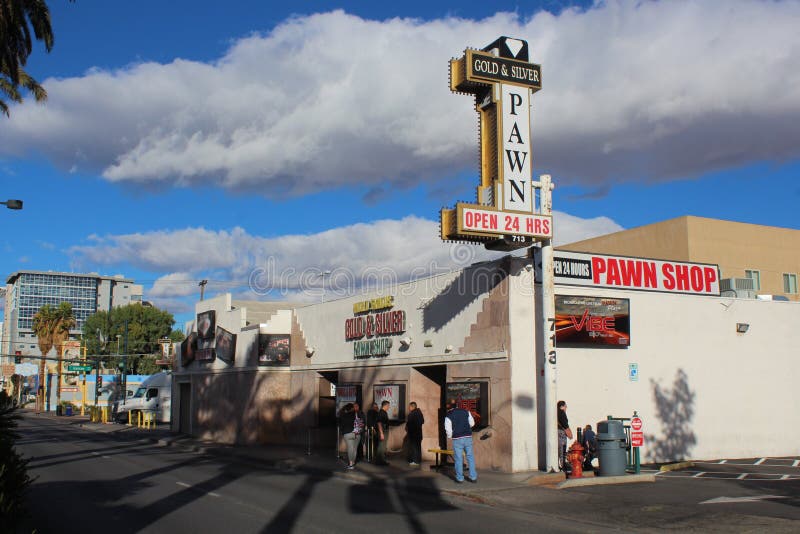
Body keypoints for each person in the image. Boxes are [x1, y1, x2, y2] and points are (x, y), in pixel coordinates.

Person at [445, 399, 477, 483]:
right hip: (468, 436)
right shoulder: (466, 411)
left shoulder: (449, 415)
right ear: (457, 405)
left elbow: (448, 429)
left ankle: (460, 478)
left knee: (458, 458)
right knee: (470, 457)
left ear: (448, 407)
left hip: (457, 438)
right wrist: (465, 427)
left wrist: (450, 436)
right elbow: (472, 423)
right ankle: (473, 477)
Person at [338, 403, 358, 470]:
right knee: (354, 449)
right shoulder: (355, 414)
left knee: (350, 448)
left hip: (346, 433)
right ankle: (353, 461)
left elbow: (341, 425)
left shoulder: (343, 415)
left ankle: (351, 464)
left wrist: (342, 431)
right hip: (354, 433)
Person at [405, 401, 424, 466]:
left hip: (414, 434)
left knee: (414, 448)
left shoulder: (412, 414)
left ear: (412, 406)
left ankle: (415, 461)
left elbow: (410, 424)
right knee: (418, 447)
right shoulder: (419, 413)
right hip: (418, 434)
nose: (409, 408)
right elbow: (422, 422)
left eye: (409, 407)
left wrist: (408, 427)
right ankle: (418, 460)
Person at [557, 400, 572, 472]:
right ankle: (563, 467)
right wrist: (569, 433)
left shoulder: (555, 412)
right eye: (565, 406)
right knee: (562, 450)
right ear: (561, 406)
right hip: (561, 433)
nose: (566, 408)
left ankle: (558, 465)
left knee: (558, 450)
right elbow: (565, 424)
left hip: (556, 433)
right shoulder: (562, 413)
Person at [375, 400, 390, 465]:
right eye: (388, 406)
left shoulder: (384, 412)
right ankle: (380, 461)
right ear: (385, 405)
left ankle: (381, 461)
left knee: (382, 446)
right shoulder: (381, 413)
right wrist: (381, 433)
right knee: (381, 446)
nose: (389, 407)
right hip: (382, 431)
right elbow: (379, 423)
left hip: (384, 431)